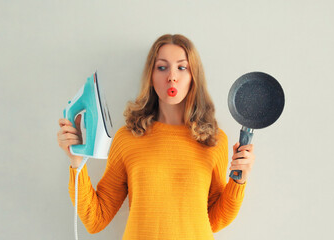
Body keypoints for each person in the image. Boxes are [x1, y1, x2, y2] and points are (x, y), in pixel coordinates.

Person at [57, 34, 255, 239]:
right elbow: (96, 219)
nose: (172, 76)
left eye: (182, 67)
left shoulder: (214, 140)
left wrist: (239, 181)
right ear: (150, 77)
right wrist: (76, 162)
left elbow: (213, 220)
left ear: (193, 76)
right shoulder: (127, 138)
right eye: (162, 67)